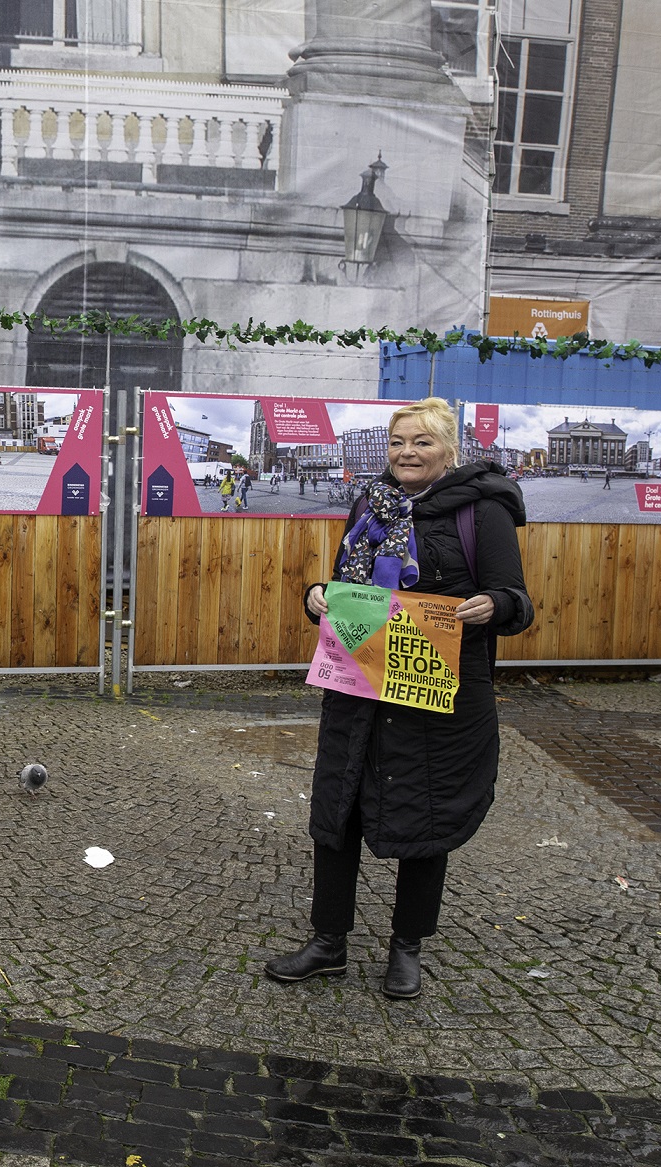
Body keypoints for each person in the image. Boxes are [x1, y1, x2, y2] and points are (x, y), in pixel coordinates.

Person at [263, 397, 532, 1000]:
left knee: (426, 813)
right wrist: (317, 596)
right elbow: (346, 585)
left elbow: (518, 601)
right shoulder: (371, 504)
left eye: (422, 443)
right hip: (360, 686)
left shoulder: (482, 511)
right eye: (399, 442)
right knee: (339, 811)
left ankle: (406, 948)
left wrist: (495, 606)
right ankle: (328, 942)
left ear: (449, 451)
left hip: (440, 690)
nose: (407, 452)